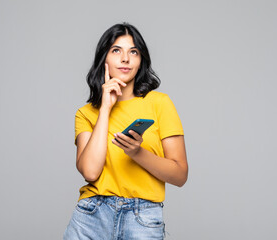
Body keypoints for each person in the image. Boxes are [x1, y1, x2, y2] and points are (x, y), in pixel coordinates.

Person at [63, 22, 188, 240]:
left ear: (141, 61)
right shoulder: (85, 113)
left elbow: (180, 175)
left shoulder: (160, 103)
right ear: (104, 59)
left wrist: (137, 153)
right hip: (92, 215)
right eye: (116, 51)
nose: (125, 59)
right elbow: (90, 172)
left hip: (143, 219)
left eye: (134, 52)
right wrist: (104, 109)